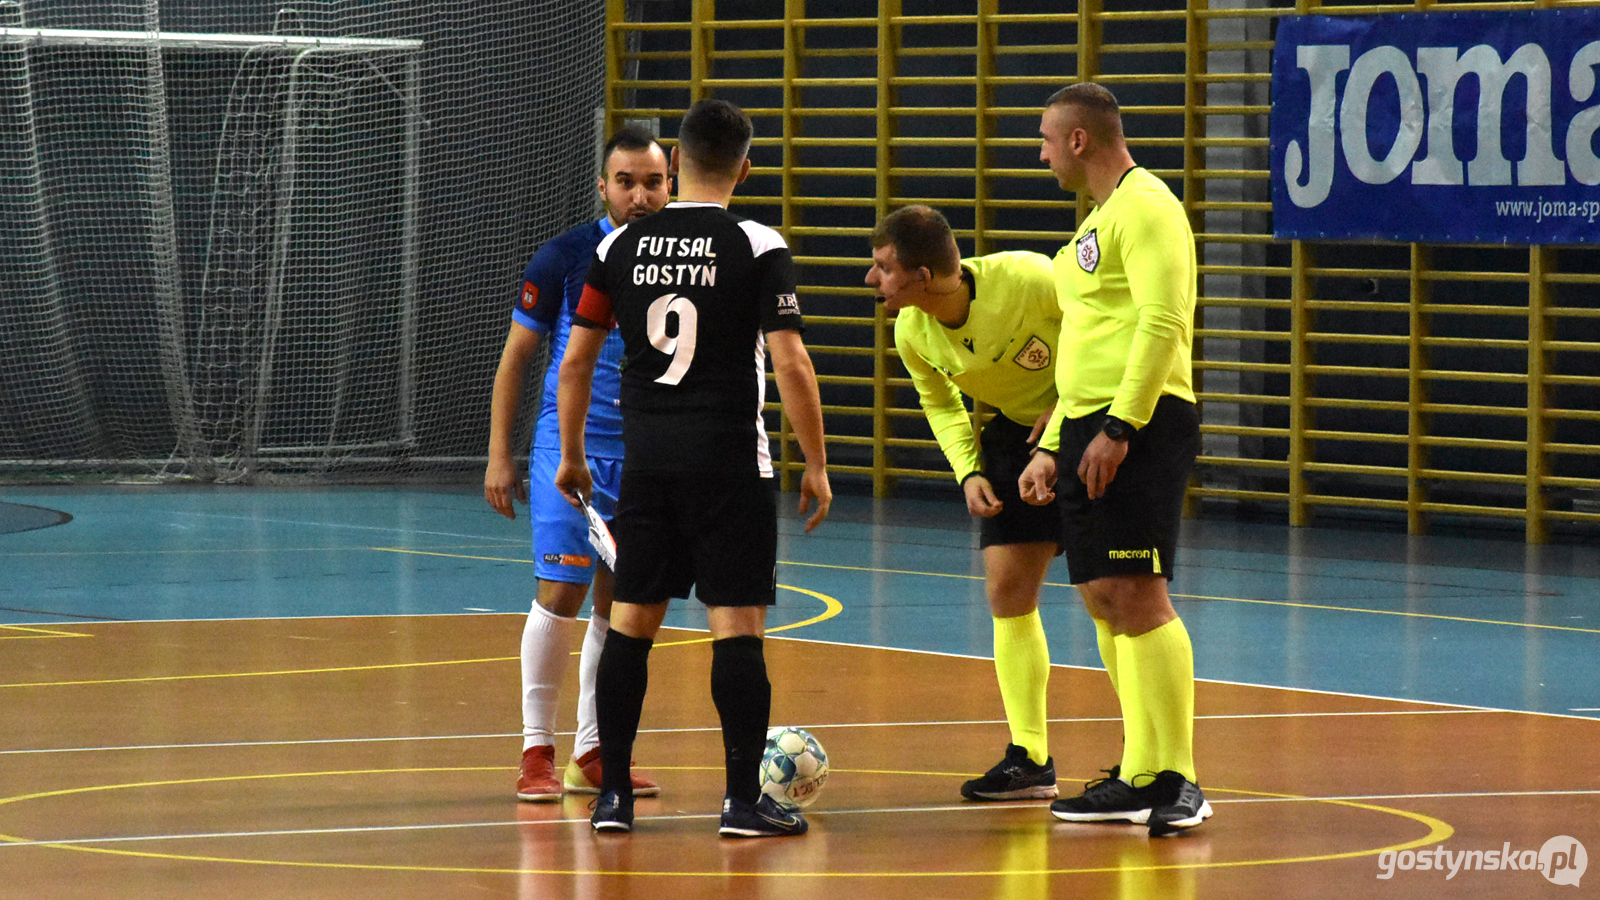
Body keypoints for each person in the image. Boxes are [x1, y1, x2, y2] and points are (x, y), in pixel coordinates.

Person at [554, 98, 831, 838]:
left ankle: (612, 798)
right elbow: (791, 359)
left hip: (648, 465)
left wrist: (575, 455)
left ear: (672, 164)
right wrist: (818, 463)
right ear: (746, 166)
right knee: (737, 628)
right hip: (731, 464)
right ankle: (743, 803)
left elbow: (576, 359)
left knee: (631, 624)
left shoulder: (618, 247)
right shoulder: (757, 242)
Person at [1018, 82, 1211, 836]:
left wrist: (1122, 425)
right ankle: (1138, 771)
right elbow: (1084, 347)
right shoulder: (1091, 230)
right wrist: (1055, 440)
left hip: (1145, 421)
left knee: (1138, 590)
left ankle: (1180, 776)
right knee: (1102, 594)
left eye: (1044, 138)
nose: (1039, 153)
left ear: (1078, 140)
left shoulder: (1150, 207)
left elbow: (1165, 320)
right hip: (1089, 425)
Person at [484, 126, 670, 803]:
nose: (641, 194)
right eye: (627, 181)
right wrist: (500, 454)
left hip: (648, 459)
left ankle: (593, 753)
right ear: (604, 186)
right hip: (574, 456)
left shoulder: (678, 262)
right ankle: (537, 751)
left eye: (653, 181)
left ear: (670, 184)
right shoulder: (565, 255)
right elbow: (517, 361)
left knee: (620, 608)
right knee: (561, 595)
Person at [865, 205, 1063, 802]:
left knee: (1110, 595)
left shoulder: (1030, 278)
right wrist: (968, 471)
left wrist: (1070, 409)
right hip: (1012, 432)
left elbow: (1107, 328)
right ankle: (1031, 758)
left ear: (922, 276)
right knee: (1006, 590)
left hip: (1091, 416)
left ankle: (1151, 765)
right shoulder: (911, 331)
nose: (871, 280)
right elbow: (942, 404)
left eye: (882, 267)